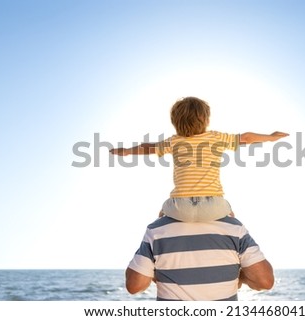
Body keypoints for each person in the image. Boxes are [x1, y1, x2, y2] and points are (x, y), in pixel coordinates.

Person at [110, 96, 289, 222]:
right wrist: (271, 137)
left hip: (180, 207)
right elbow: (247, 138)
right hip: (214, 205)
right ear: (206, 120)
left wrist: (126, 151)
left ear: (175, 122)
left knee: (161, 214)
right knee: (231, 217)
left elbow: (148, 148)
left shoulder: (174, 142)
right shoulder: (216, 138)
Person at [125, 215, 274, 301]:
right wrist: (239, 278)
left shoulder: (157, 229)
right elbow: (264, 281)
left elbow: (134, 286)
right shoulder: (233, 228)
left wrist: (158, 272)